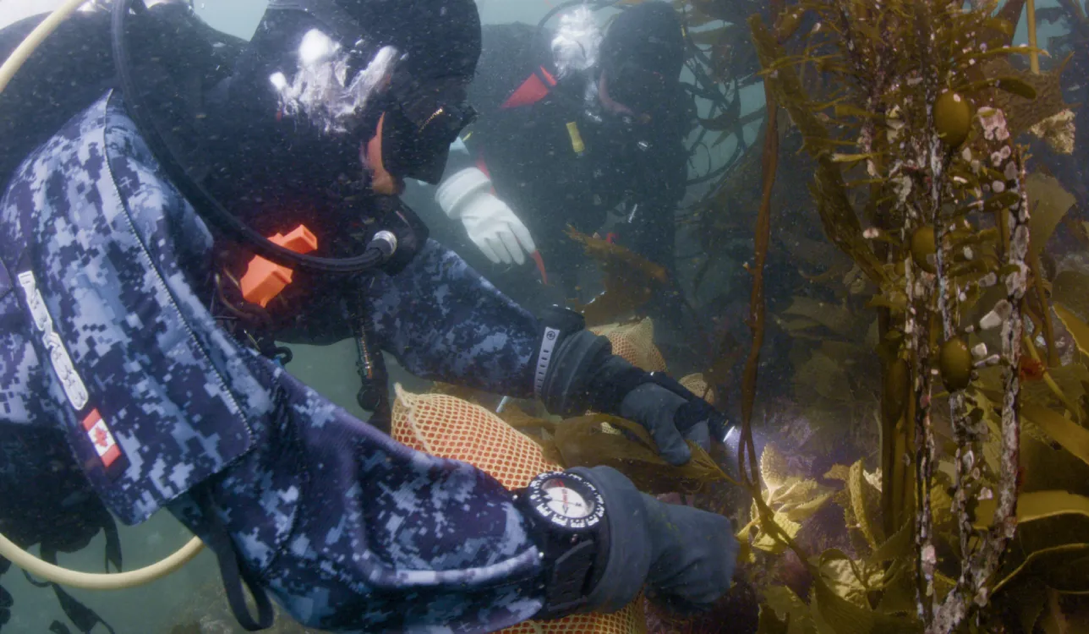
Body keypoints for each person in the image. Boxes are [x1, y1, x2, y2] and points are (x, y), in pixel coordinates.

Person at [0, 0, 737, 632]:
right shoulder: (90, 204)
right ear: (347, 80)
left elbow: (410, 294)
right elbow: (312, 538)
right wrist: (607, 536)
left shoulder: (231, 154)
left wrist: (607, 380)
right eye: (426, 129)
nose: (417, 172)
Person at [426, 1, 693, 319]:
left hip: (556, 260)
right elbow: (419, 97)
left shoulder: (661, 132)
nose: (633, 109)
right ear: (605, 60)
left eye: (653, 94)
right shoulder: (518, 59)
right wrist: (463, 191)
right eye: (629, 85)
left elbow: (656, 252)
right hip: (470, 221)